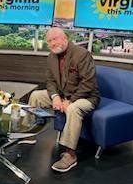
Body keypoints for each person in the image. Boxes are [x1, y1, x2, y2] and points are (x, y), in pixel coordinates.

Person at [28, 27, 100, 173]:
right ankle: (29, 133)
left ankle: (70, 154)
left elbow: (88, 83)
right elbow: (50, 81)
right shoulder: (51, 57)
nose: (52, 43)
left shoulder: (82, 54)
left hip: (85, 97)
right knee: (36, 96)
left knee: (73, 109)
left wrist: (70, 100)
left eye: (55, 39)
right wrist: (55, 97)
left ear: (65, 38)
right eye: (49, 41)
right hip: (62, 95)